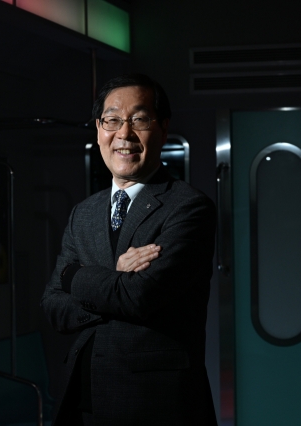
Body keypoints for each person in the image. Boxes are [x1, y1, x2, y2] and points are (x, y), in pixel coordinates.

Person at [40, 73, 217, 425]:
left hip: (158, 406)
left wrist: (73, 275)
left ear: (163, 128)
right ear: (98, 129)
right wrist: (113, 279)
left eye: (139, 119)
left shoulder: (188, 208)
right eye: (112, 120)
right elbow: (53, 306)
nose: (124, 134)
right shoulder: (84, 213)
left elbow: (138, 296)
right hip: (85, 400)